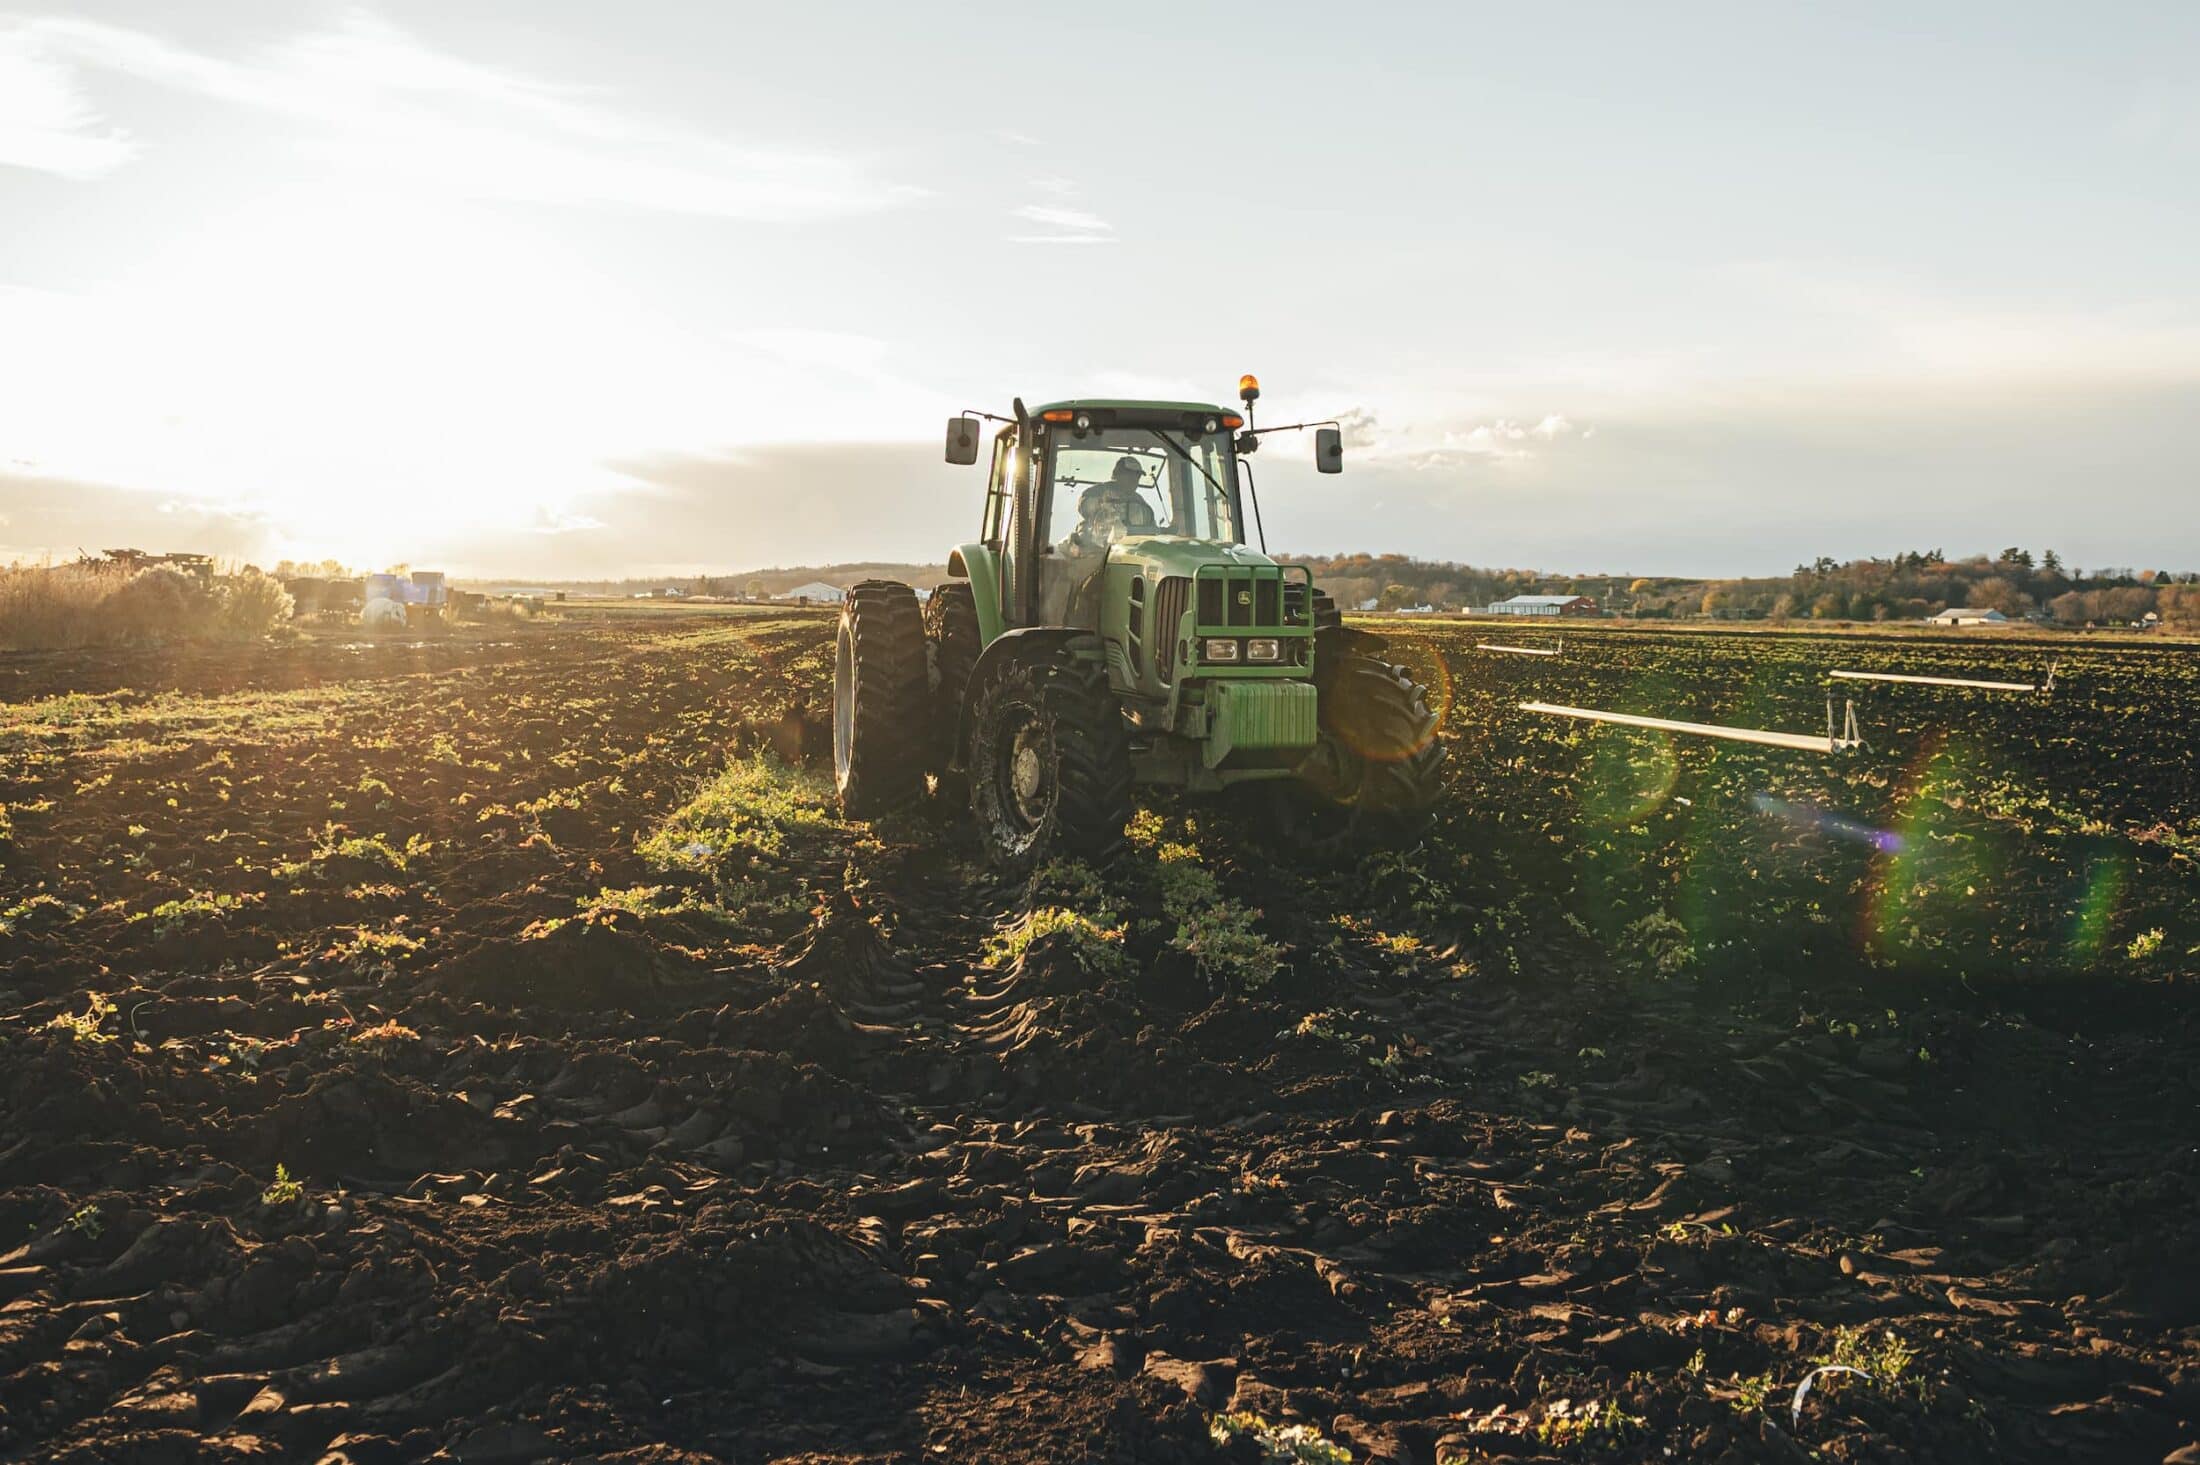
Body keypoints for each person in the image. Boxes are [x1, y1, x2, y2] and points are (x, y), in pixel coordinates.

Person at [1072, 456, 1158, 552]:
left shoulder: (1140, 503)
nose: (1134, 479)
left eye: (1137, 476)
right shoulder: (1099, 491)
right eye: (1129, 474)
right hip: (1097, 550)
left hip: (1129, 551)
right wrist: (1101, 504)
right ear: (1117, 475)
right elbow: (1084, 506)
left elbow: (1152, 530)